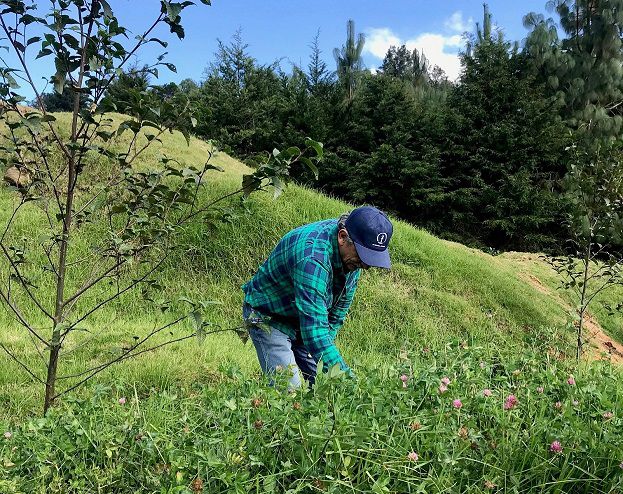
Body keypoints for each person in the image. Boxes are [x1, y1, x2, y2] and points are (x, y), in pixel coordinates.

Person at [242, 205, 393, 388]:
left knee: (325, 387)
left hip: (304, 320)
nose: (366, 266)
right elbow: (314, 331)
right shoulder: (312, 258)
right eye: (364, 256)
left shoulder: (353, 257)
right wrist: (350, 383)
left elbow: (335, 316)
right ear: (342, 237)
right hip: (270, 317)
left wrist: (323, 354)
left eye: (371, 258)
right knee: (290, 393)